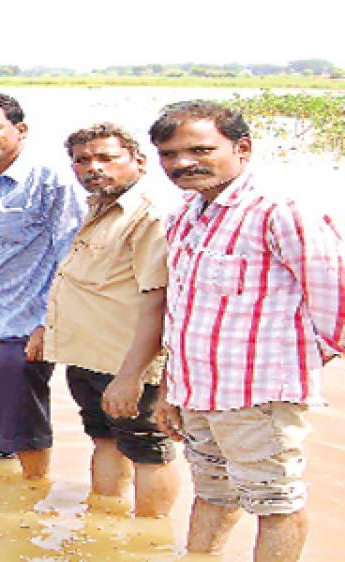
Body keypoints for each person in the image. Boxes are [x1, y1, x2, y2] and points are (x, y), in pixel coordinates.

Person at [148, 101, 345, 560]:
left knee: (276, 503)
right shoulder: (185, 215)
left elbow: (337, 306)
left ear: (242, 148)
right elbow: (182, 313)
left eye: (199, 149)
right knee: (213, 492)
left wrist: (287, 368)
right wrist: (169, 387)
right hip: (195, 391)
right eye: (170, 154)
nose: (182, 164)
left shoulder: (280, 211)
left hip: (259, 397)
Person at [0, 93, 86, 478]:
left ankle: (34, 498)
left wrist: (47, 323)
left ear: (20, 130)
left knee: (24, 420)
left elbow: (68, 257)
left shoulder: (51, 181)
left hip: (24, 325)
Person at [43, 123, 181, 517]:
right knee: (103, 439)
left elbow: (158, 300)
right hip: (87, 355)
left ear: (138, 162)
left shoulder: (149, 216)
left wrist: (131, 375)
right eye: (82, 160)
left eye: (106, 158)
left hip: (127, 362)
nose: (93, 168)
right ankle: (104, 526)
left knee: (148, 451)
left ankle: (149, 539)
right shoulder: (99, 208)